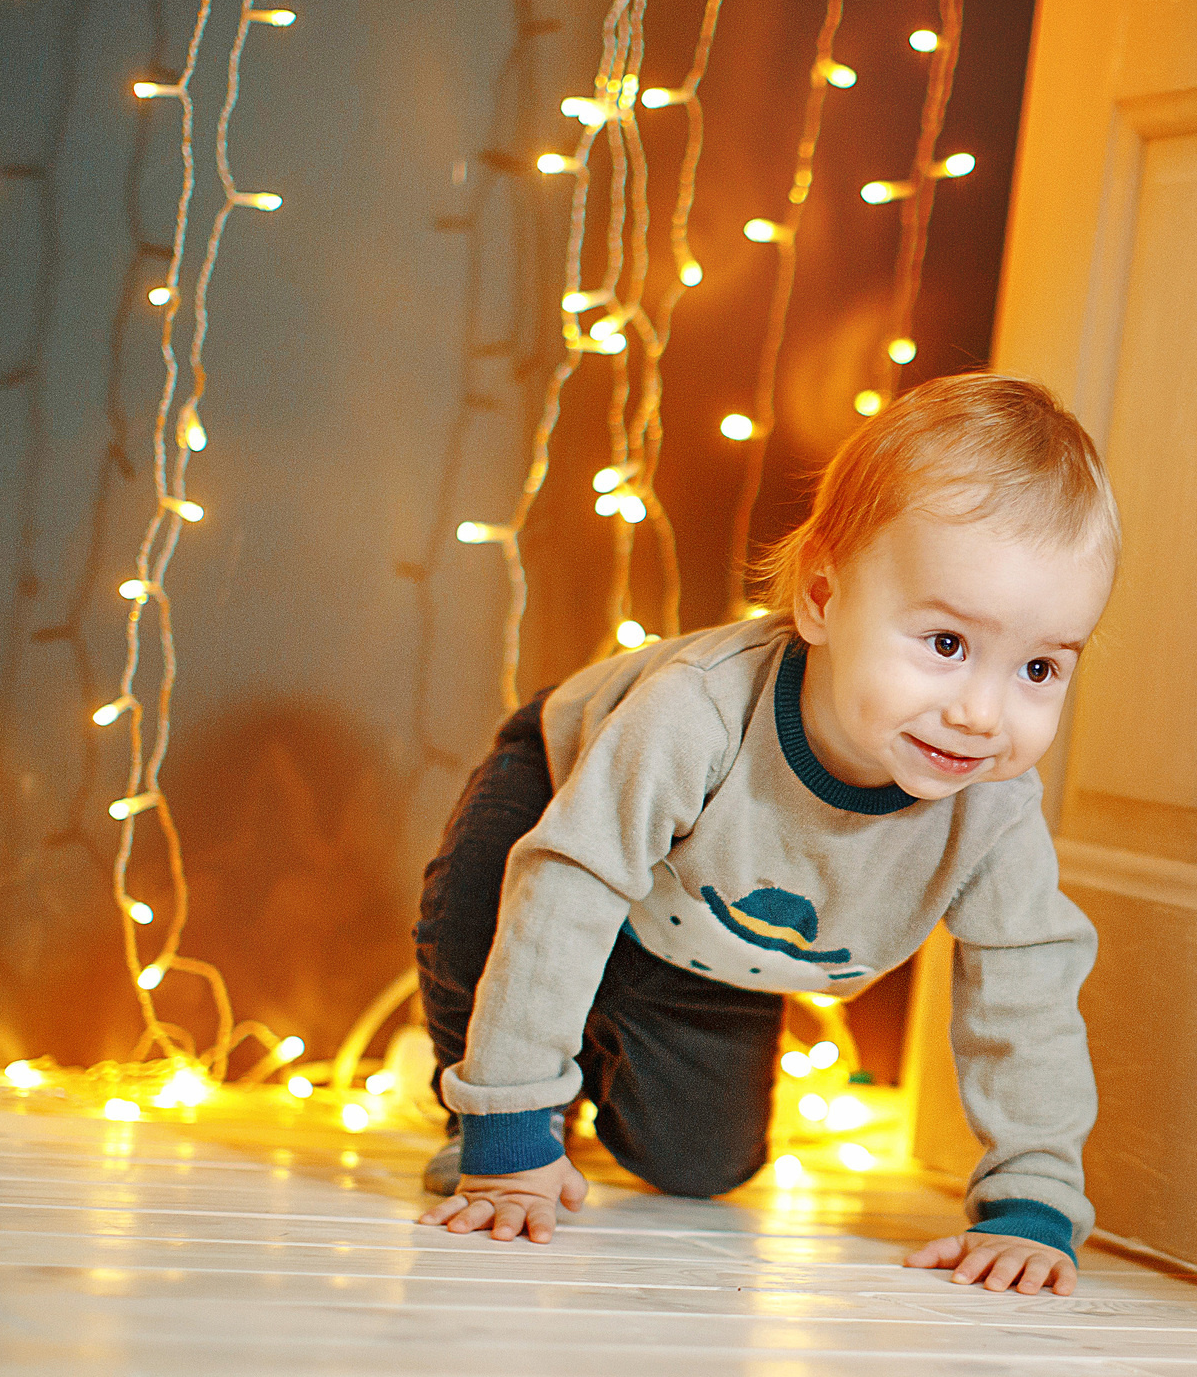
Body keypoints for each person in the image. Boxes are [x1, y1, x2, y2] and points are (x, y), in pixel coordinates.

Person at [411, 373, 1115, 1296]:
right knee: (492, 903)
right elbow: (568, 882)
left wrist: (1033, 1200)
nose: (984, 713)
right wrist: (509, 1136)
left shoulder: (992, 808)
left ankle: (598, 1018)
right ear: (822, 597)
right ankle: (506, 1098)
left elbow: (1028, 991)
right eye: (946, 644)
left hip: (694, 924)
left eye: (1038, 666)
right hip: (570, 805)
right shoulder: (695, 714)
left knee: (704, 1165)